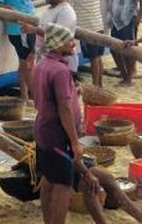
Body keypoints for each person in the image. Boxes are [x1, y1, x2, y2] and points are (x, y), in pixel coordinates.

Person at [33, 23, 101, 224]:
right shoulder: (61, 71)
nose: (74, 43)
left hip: (43, 129)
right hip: (58, 133)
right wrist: (74, 141)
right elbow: (64, 108)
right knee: (63, 184)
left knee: (47, 179)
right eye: (70, 40)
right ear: (59, 43)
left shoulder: (42, 64)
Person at [23, 0, 78, 72]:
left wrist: (34, 30)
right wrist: (33, 52)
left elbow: (61, 37)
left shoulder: (66, 11)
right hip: (48, 61)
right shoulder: (50, 9)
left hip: (62, 62)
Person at [68, 0, 106, 87]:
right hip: (99, 26)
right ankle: (99, 84)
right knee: (98, 57)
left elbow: (69, 6)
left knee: (93, 57)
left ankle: (95, 86)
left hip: (87, 28)